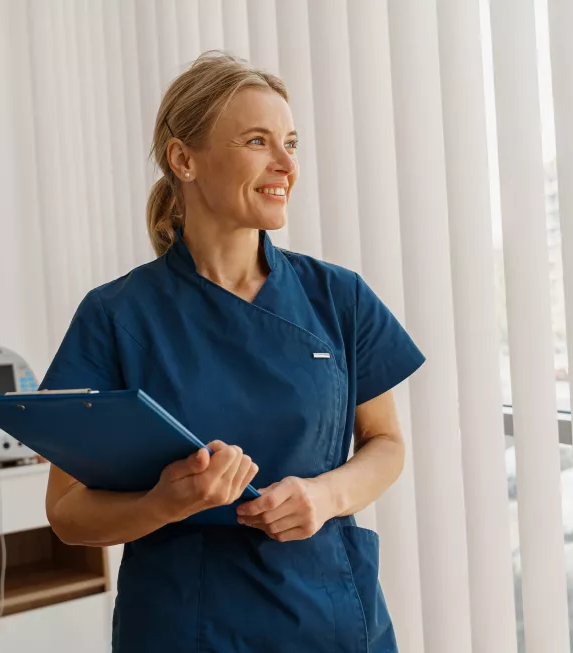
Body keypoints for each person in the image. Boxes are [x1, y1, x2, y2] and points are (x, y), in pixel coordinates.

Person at [42, 51, 425, 653]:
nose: (285, 165)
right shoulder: (115, 316)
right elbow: (66, 511)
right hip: (183, 624)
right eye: (256, 140)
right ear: (184, 159)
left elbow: (387, 444)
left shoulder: (338, 296)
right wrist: (165, 503)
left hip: (326, 617)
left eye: (290, 143)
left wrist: (323, 497)